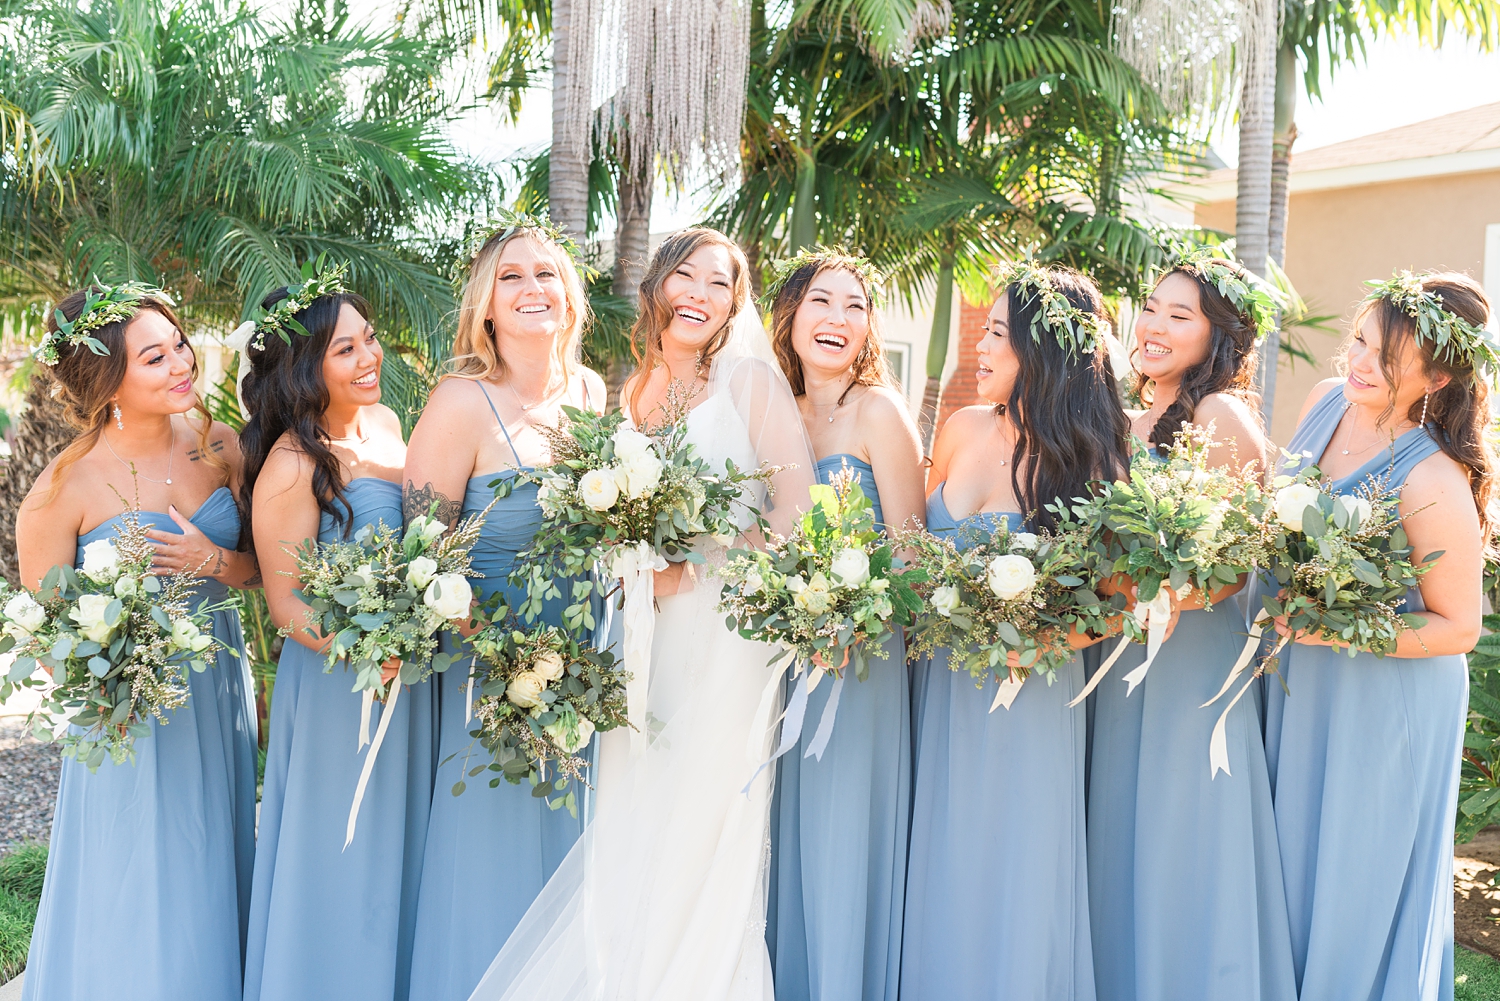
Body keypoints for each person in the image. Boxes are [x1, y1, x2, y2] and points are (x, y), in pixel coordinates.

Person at [466, 227, 818, 1001]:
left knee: (701, 823)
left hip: (726, 640)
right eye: (685, 276)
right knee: (636, 817)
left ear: (736, 304)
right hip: (638, 641)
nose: (699, 293)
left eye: (719, 283)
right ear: (657, 286)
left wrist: (697, 564)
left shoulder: (750, 384)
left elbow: (797, 520)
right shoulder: (626, 394)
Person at [17, 283, 258, 1001]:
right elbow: (48, 634)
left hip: (217, 686)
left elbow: (256, 572)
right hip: (132, 714)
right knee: (139, 874)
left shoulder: (220, 445)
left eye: (178, 343)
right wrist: (116, 680)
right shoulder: (63, 487)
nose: (181, 362)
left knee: (216, 855)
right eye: (154, 357)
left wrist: (208, 561)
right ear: (107, 380)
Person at [901, 264, 1127, 999]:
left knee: (1020, 865)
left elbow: (1120, 601)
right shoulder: (962, 425)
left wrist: (1044, 640)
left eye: (999, 333)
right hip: (940, 688)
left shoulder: (1094, 456)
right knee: (943, 857)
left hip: (1029, 696)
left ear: (1045, 351)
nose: (983, 348)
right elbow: (916, 552)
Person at [1265, 271, 1492, 1001]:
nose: (1359, 363)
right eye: (1360, 341)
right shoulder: (1327, 402)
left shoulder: (1431, 477)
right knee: (1287, 856)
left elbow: (1459, 626)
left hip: (1383, 695)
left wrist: (1339, 633)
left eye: (1385, 359)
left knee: (1350, 874)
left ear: (1436, 375)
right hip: (1302, 673)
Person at [404, 221, 607, 1001]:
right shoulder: (461, 401)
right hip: (485, 667)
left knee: (570, 848)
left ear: (569, 294)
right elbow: (426, 554)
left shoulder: (590, 394)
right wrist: (502, 658)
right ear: (485, 305)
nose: (533, 290)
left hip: (583, 662)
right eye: (512, 277)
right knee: (487, 848)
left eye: (546, 275)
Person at [1085, 252, 1296, 1001]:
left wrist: (1146, 597)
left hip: (1187, 662)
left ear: (1218, 337)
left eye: (1181, 315)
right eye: (1150, 306)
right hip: (1116, 651)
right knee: (1121, 836)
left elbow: (1234, 566)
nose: (1154, 325)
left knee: (1181, 838)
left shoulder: (1221, 416)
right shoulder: (1122, 411)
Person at [239, 263, 435, 1001]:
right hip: (336, 685)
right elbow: (285, 602)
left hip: (406, 676)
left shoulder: (387, 426)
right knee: (340, 846)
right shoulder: (292, 463)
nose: (370, 357)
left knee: (399, 844)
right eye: (346, 349)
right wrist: (364, 647)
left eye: (371, 339)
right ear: (304, 366)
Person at [762, 248, 923, 1001]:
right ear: (790, 315)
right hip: (771, 658)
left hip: (859, 661)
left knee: (841, 833)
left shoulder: (879, 413)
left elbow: (913, 557)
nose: (838, 318)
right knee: (775, 835)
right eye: (822, 301)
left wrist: (851, 614)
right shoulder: (763, 412)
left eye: (854, 305)